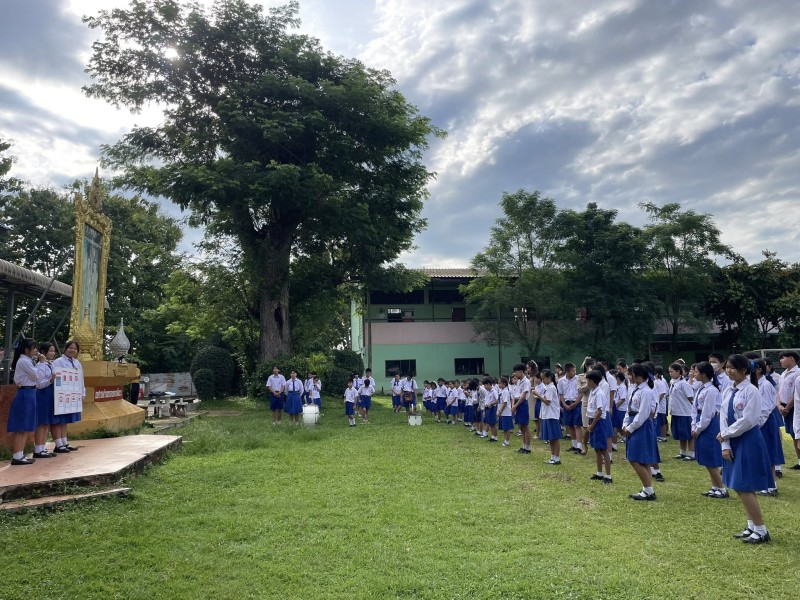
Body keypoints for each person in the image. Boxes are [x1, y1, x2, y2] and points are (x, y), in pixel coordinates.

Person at [717, 355, 774, 544]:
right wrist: (725, 442)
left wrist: (726, 434)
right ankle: (752, 526)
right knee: (738, 485)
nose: (728, 370)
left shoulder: (751, 391)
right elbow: (723, 416)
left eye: (732, 367)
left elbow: (749, 419)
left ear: (744, 370)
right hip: (731, 439)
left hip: (747, 439)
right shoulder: (728, 390)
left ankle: (761, 530)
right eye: (727, 367)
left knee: (744, 485)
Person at [8, 339, 52, 464]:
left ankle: (20, 455)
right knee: (21, 426)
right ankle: (17, 456)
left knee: (25, 425)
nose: (36, 350)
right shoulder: (24, 361)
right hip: (25, 393)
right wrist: (42, 363)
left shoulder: (27, 361)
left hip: (30, 393)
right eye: (34, 348)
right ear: (27, 350)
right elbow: (37, 376)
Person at [623, 363, 660, 501]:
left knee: (634, 458)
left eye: (630, 374)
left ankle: (649, 491)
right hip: (633, 423)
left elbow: (643, 413)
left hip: (641, 426)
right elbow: (629, 409)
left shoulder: (647, 391)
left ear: (638, 376)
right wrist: (625, 424)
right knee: (641, 459)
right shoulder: (636, 389)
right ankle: (647, 489)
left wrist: (631, 427)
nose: (629, 377)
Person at [691, 361, 727, 499]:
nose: (694, 374)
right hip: (700, 423)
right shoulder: (701, 388)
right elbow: (694, 409)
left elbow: (708, 413)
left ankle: (721, 488)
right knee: (706, 457)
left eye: (696, 372)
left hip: (708, 426)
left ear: (704, 374)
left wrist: (698, 429)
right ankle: (715, 486)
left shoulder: (711, 390)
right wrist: (693, 425)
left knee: (710, 458)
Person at [751, 359, 782, 497]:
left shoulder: (766, 385)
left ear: (759, 369)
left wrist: (757, 424)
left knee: (768, 453)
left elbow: (767, 407)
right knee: (761, 454)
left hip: (765, 423)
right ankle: (765, 484)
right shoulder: (755, 384)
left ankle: (772, 486)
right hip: (758, 422)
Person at [51, 340, 84, 452]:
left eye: (75, 349)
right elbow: (55, 378)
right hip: (60, 394)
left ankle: (64, 442)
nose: (72, 350)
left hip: (71, 394)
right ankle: (58, 444)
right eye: (70, 348)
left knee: (65, 420)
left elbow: (81, 379)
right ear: (65, 349)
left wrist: (82, 392)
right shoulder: (58, 362)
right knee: (58, 420)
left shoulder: (77, 363)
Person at [585, 370, 612, 484]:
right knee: (597, 448)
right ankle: (599, 473)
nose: (587, 383)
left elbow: (599, 411)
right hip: (593, 420)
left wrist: (592, 425)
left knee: (603, 449)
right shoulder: (593, 391)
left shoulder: (599, 393)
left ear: (591, 381)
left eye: (587, 380)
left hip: (599, 422)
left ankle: (608, 476)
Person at [33, 342, 58, 458]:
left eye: (53, 351)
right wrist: (50, 381)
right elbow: (38, 384)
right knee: (41, 422)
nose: (53, 353)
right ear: (43, 352)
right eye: (50, 351)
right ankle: (38, 449)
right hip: (42, 394)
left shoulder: (50, 364)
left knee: (46, 423)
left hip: (49, 394)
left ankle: (42, 448)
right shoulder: (40, 365)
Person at [777, 351, 799, 470]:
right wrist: (779, 405)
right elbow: (779, 391)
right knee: (792, 433)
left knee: (797, 433)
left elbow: (796, 393)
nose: (780, 360)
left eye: (783, 358)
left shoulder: (797, 372)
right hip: (784, 407)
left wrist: (788, 407)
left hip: (794, 407)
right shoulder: (783, 374)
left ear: (791, 358)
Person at [668, 363, 695, 460]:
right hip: (676, 412)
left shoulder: (684, 384)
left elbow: (691, 398)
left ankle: (691, 453)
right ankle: (682, 452)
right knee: (681, 434)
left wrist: (694, 411)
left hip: (685, 412)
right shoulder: (673, 383)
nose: (670, 373)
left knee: (689, 434)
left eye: (672, 371)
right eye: (669, 372)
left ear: (678, 372)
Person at [534, 369, 561, 465]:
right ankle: (553, 456)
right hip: (546, 415)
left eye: (543, 378)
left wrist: (538, 395)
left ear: (549, 378)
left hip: (551, 415)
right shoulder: (547, 387)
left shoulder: (551, 387)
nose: (542, 380)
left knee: (555, 437)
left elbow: (547, 402)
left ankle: (557, 458)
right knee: (550, 438)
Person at [558, 362, 582, 455]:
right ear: (567, 371)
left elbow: (581, 393)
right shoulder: (561, 381)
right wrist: (564, 404)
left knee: (577, 425)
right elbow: (561, 394)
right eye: (572, 371)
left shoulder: (578, 379)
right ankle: (574, 445)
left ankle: (579, 446)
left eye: (575, 371)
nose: (574, 372)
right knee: (570, 424)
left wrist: (575, 403)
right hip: (567, 403)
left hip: (576, 403)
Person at [511, 363, 532, 454]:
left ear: (521, 371)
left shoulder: (526, 381)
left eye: (516, 372)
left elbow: (523, 396)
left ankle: (528, 447)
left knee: (525, 426)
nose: (515, 374)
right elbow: (515, 394)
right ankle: (523, 446)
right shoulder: (519, 381)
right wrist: (514, 405)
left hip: (522, 403)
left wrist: (515, 406)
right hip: (518, 403)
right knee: (521, 426)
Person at [497, 377, 514, 446]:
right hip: (502, 413)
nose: (498, 385)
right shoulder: (502, 391)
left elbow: (505, 402)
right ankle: (505, 440)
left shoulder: (506, 391)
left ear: (504, 384)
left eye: (500, 383)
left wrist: (500, 411)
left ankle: (507, 441)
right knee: (504, 428)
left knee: (506, 428)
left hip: (506, 413)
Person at [481, 377, 499, 442]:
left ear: (488, 384)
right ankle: (492, 436)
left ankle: (495, 437)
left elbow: (497, 400)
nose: (485, 387)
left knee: (493, 423)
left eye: (485, 385)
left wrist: (491, 403)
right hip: (487, 408)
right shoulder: (487, 391)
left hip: (492, 408)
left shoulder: (494, 391)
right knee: (489, 423)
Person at [654, 367, 669, 442]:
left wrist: (656, 402)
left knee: (662, 422)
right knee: (658, 421)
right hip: (658, 405)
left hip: (661, 405)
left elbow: (662, 393)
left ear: (657, 374)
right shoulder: (656, 381)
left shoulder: (661, 382)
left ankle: (663, 437)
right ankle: (659, 436)